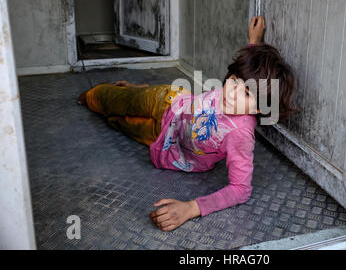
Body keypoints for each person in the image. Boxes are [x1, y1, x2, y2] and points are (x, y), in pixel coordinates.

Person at [77, 16, 296, 232]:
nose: (232, 92)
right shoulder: (245, 82)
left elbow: (240, 189)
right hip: (168, 100)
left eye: (246, 93)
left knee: (117, 122)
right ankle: (97, 95)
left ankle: (129, 92)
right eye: (235, 80)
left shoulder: (240, 135)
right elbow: (249, 70)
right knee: (111, 100)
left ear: (260, 108)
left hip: (164, 141)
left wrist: (191, 208)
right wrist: (254, 41)